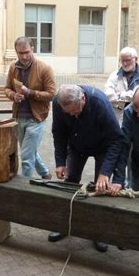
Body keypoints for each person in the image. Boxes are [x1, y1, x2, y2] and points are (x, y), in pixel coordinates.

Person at [50, 84, 124, 252]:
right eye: (67, 112)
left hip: (102, 146)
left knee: (101, 189)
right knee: (70, 184)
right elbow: (59, 132)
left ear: (83, 99)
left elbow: (117, 140)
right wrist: (60, 161)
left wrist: (105, 173)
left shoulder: (100, 103)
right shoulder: (58, 102)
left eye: (75, 111)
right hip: (77, 146)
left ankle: (98, 232)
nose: (71, 114)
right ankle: (65, 225)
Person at [4, 37, 56, 180]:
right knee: (29, 151)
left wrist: (30, 92)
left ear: (32, 49)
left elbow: (52, 94)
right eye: (20, 53)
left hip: (36, 118)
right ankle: (45, 174)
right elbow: (7, 88)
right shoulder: (13, 67)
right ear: (16, 52)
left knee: (26, 158)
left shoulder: (44, 68)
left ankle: (24, 189)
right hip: (19, 116)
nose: (24, 56)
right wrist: (14, 95)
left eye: (27, 52)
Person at [105, 46, 139, 118]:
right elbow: (107, 94)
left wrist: (120, 95)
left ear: (136, 59)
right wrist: (131, 97)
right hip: (118, 116)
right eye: (122, 60)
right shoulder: (114, 75)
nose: (124, 64)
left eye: (128, 60)